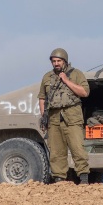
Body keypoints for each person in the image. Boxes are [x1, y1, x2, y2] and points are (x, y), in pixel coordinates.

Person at [38, 47, 91, 183]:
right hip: (54, 118)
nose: (56, 63)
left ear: (65, 61)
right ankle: (59, 180)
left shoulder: (76, 74)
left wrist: (67, 81)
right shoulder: (47, 77)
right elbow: (42, 98)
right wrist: (43, 116)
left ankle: (83, 178)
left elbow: (84, 92)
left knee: (77, 149)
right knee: (56, 152)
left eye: (59, 61)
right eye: (54, 61)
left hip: (72, 116)